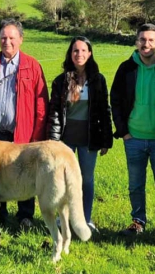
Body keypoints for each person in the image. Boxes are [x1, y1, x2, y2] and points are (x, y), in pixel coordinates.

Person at [0, 18, 48, 228]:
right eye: (3, 37)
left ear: (21, 39)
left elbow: (41, 104)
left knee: (26, 174)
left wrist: (37, 136)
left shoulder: (32, 66)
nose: (7, 42)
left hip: (23, 134)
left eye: (12, 37)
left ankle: (25, 216)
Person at [110, 23, 155, 238]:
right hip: (133, 137)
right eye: (142, 40)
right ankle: (138, 221)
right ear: (136, 42)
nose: (146, 44)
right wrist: (124, 131)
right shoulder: (126, 68)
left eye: (151, 40)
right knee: (135, 184)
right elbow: (115, 100)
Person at [46, 36, 113, 233]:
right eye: (75, 51)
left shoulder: (98, 80)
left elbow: (104, 110)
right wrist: (53, 140)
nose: (79, 54)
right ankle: (63, 219)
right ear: (70, 54)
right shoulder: (61, 81)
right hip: (66, 139)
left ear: (90, 53)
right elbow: (55, 112)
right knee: (63, 180)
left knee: (86, 179)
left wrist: (106, 140)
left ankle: (86, 219)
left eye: (83, 51)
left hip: (89, 137)